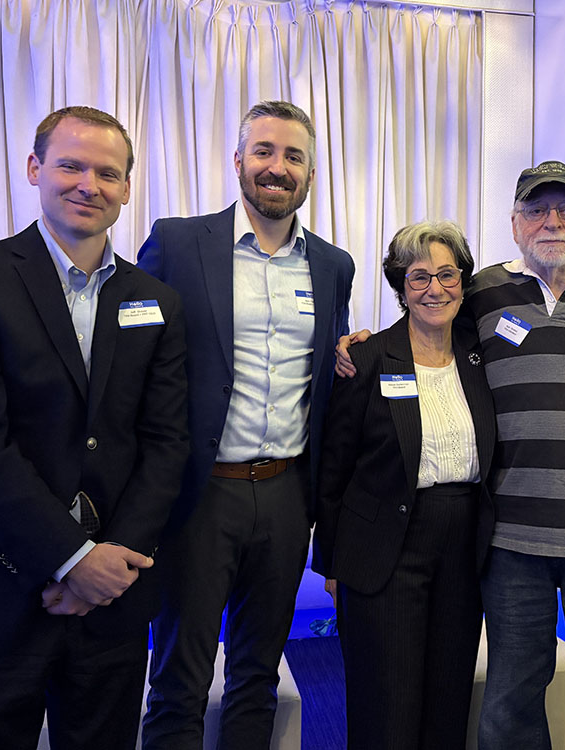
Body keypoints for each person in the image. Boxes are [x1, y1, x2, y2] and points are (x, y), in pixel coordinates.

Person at [337, 161, 565, 749]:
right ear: (514, 223)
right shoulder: (487, 290)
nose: (551, 221)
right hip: (511, 538)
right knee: (505, 704)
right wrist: (362, 343)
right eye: (536, 210)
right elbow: (421, 328)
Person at [0, 105, 189, 749]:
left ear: (125, 188)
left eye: (108, 173)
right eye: (71, 165)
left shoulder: (157, 300)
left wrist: (108, 565)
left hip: (112, 602)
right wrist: (71, 558)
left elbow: (166, 442)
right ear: (35, 169)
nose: (90, 184)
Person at [138, 100, 355, 750]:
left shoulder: (331, 265)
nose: (276, 167)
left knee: (259, 674)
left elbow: (327, 361)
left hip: (288, 494)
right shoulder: (178, 242)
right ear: (238, 161)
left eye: (293, 156)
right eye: (263, 151)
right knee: (179, 679)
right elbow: (138, 362)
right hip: (201, 495)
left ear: (311, 174)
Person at [313, 221, 495, 749]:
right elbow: (334, 468)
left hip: (464, 547)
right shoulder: (367, 358)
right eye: (419, 278)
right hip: (384, 547)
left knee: (449, 695)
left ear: (463, 281)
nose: (435, 289)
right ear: (400, 286)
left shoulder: (483, 355)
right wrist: (332, 561)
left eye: (446, 274)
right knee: (386, 702)